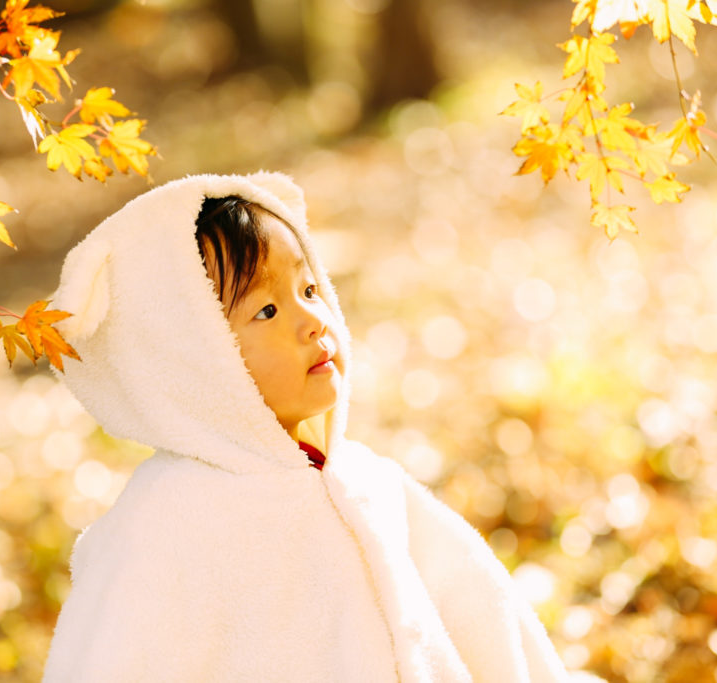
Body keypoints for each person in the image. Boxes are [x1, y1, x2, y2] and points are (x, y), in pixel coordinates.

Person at [42, 172, 569, 682]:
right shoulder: (161, 532)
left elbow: (485, 616)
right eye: (266, 310)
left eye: (310, 288)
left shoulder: (365, 483)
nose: (312, 320)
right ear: (188, 362)